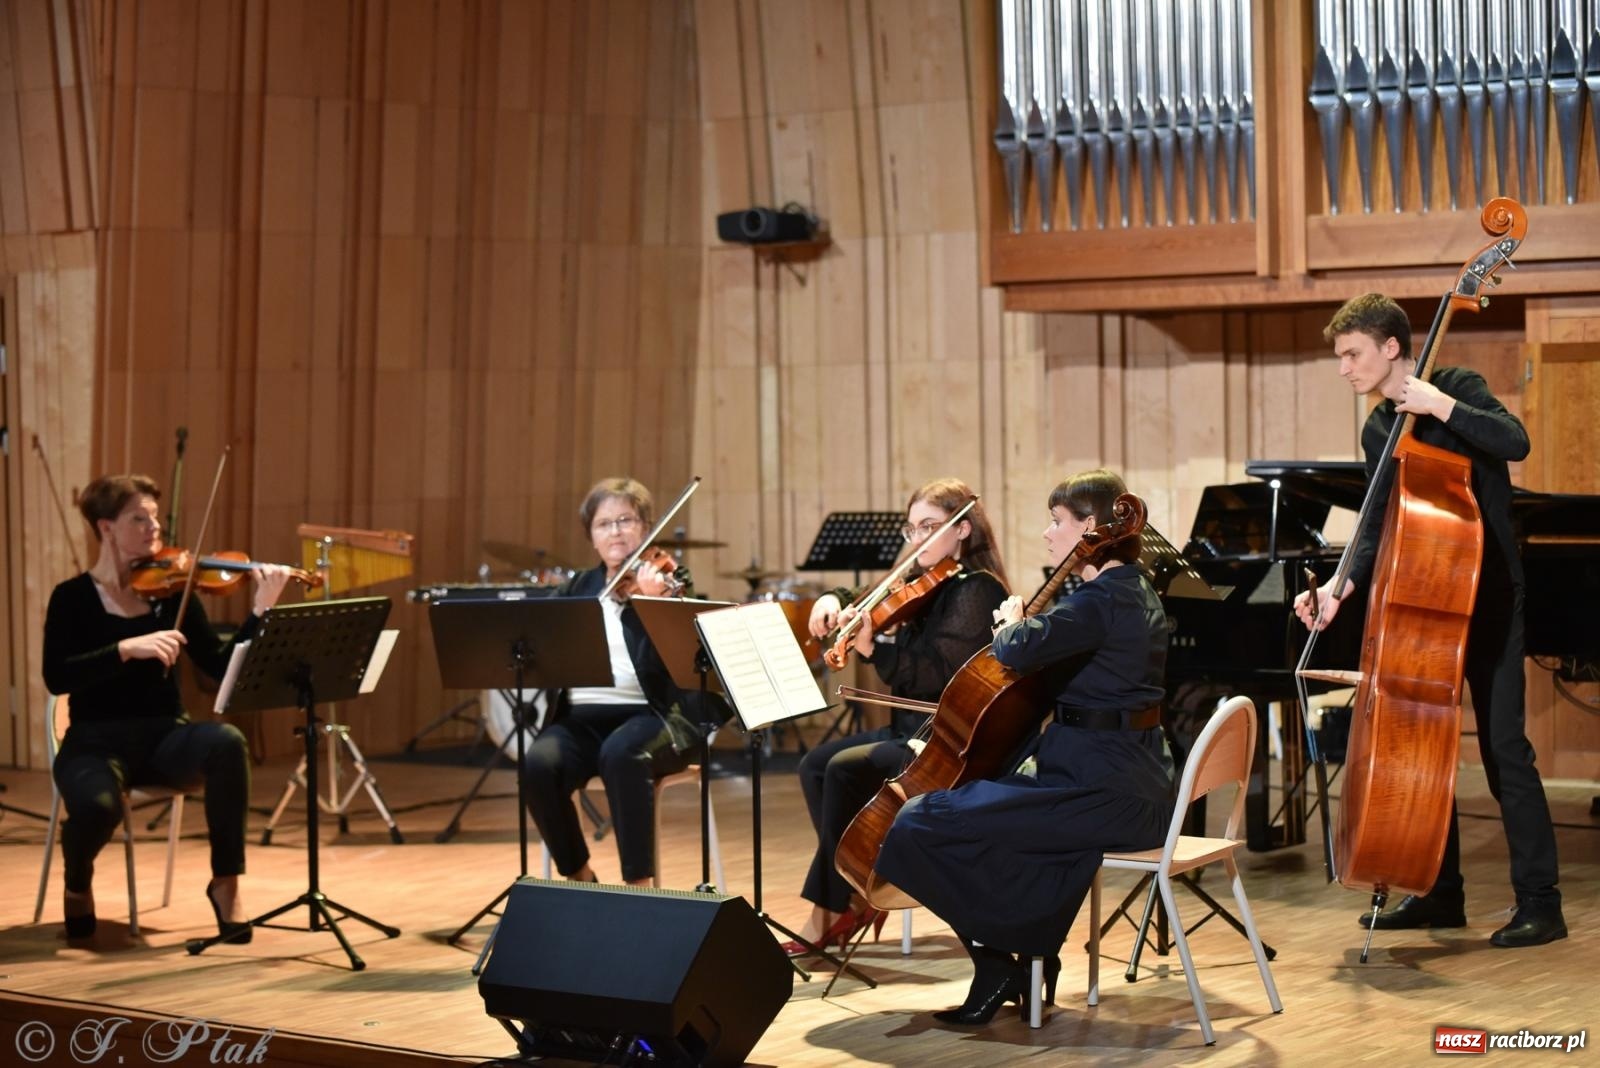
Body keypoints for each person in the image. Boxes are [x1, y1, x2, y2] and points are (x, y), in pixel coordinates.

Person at [1293, 292, 1565, 948]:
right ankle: (1439, 893)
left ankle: (1542, 904)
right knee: (1424, 743)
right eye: (1339, 357)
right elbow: (1377, 522)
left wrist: (1438, 406)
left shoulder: (1456, 387)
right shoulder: (1377, 430)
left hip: (1493, 595)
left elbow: (1516, 441)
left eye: (1352, 354)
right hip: (1427, 604)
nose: (1344, 368)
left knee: (1504, 752)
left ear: (1391, 347)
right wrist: (1337, 589)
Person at [873, 469, 1171, 1025]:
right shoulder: (1133, 589)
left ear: (1090, 526)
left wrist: (1011, 619)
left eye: (1057, 521)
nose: (1048, 533)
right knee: (1000, 825)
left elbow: (1013, 650)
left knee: (919, 821)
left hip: (1103, 791)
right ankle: (1030, 955)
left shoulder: (1099, 599)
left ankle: (998, 964)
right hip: (1126, 784)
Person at [42, 474, 292, 942]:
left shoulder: (173, 592)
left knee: (225, 742)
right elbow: (58, 676)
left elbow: (219, 667)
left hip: (164, 739)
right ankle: (77, 882)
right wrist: (124, 649)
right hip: (94, 742)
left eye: (155, 517)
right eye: (139, 518)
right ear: (106, 527)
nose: (153, 528)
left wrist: (260, 612)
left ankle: (226, 884)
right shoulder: (71, 598)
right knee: (96, 809)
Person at [785, 478, 1009, 955]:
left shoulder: (976, 591)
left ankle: (836, 905)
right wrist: (833, 599)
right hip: (906, 730)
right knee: (815, 766)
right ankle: (858, 883)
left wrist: (874, 650)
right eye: (912, 529)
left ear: (963, 529)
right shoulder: (923, 581)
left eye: (931, 526)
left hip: (943, 741)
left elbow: (938, 677)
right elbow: (863, 593)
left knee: (845, 770)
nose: (919, 539)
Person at [523, 477, 725, 886]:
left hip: (657, 717)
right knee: (538, 765)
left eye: (625, 520)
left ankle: (639, 887)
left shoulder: (670, 585)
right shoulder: (577, 590)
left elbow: (678, 668)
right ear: (591, 537)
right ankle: (579, 875)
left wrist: (651, 607)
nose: (615, 531)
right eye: (604, 524)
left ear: (645, 527)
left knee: (621, 754)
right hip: (582, 719)